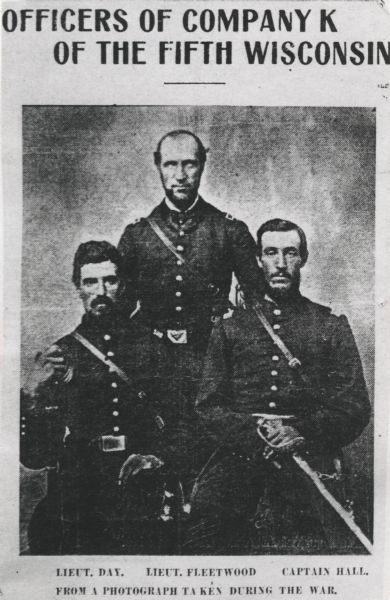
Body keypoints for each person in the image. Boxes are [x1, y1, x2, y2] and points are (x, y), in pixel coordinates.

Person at [185, 218, 371, 555]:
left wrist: (302, 431)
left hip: (309, 460)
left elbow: (354, 406)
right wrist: (255, 434)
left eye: (290, 253)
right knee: (207, 538)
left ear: (304, 258)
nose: (281, 263)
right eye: (271, 253)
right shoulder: (229, 328)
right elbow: (208, 406)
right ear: (258, 259)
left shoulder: (330, 325)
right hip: (238, 463)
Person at [20, 241, 196, 554]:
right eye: (90, 282)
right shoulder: (61, 355)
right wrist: (33, 392)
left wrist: (158, 458)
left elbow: (185, 425)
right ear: (77, 287)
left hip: (141, 483)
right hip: (81, 488)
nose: (101, 291)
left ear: (122, 284)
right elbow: (35, 456)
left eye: (109, 280)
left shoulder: (154, 350)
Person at [117, 130, 264, 407]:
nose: (180, 175)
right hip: (150, 368)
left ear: (203, 165)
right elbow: (118, 313)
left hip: (213, 365)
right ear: (157, 165)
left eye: (189, 163)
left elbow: (256, 308)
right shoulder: (136, 235)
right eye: (171, 164)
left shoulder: (229, 230)